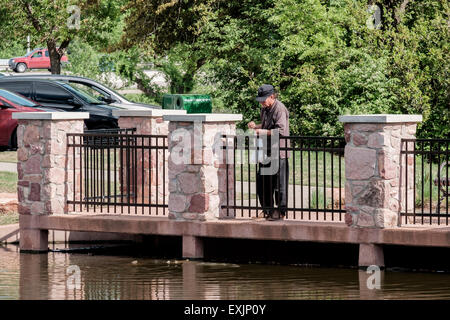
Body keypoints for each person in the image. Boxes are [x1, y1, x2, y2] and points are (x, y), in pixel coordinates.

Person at [248, 84, 290, 221]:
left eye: (263, 99)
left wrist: (262, 131)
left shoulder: (280, 109)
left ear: (272, 96)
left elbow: (281, 131)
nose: (261, 102)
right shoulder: (265, 109)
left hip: (279, 152)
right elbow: (267, 126)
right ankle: (267, 210)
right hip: (265, 152)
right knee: (263, 183)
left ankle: (280, 212)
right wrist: (256, 127)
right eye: (260, 99)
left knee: (278, 185)